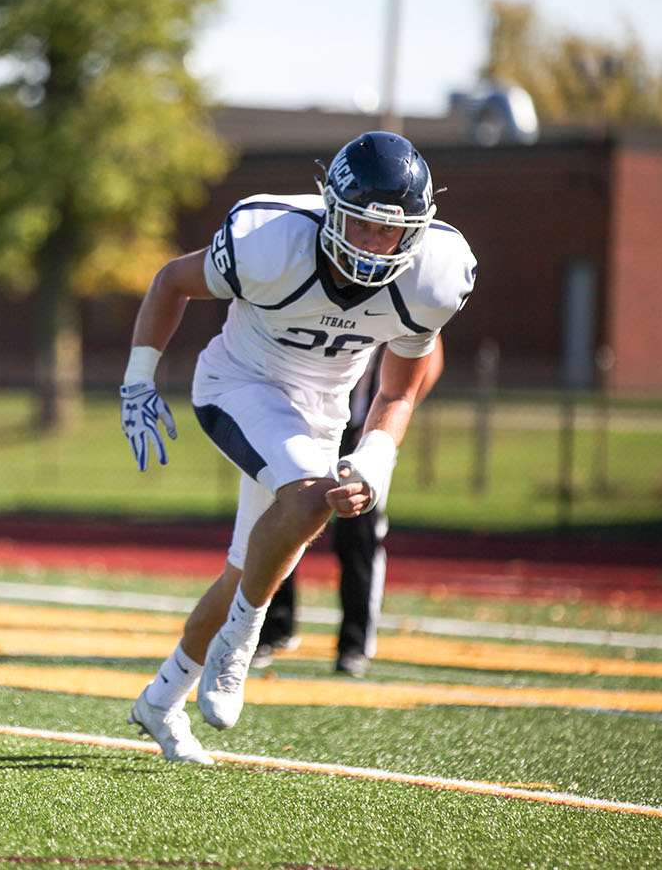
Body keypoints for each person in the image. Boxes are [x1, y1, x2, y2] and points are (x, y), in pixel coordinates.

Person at [120, 130, 475, 763]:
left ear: (416, 232)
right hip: (238, 384)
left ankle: (161, 699)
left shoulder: (432, 280)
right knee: (313, 500)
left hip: (322, 417)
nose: (372, 244)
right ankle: (242, 643)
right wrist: (138, 379)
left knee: (248, 566)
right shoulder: (269, 241)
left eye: (388, 232)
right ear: (330, 209)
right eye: (360, 225)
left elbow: (397, 394)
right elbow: (172, 280)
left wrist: (374, 459)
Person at [252, 341, 445, 677]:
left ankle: (354, 644)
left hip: (363, 432)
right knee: (283, 519)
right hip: (303, 425)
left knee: (359, 534)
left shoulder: (391, 297)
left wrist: (383, 429)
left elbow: (428, 359)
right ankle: (273, 628)